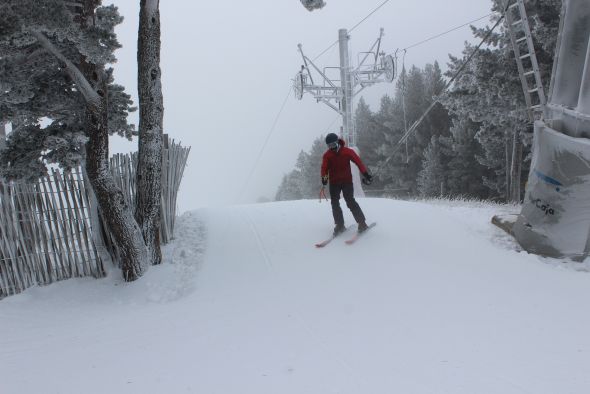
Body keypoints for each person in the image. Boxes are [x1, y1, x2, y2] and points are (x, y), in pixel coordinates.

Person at [321, 132, 373, 235]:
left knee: (350, 201)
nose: (332, 148)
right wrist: (324, 178)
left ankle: (362, 223)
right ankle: (340, 225)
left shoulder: (347, 152)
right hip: (334, 182)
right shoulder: (327, 155)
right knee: (334, 203)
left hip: (346, 181)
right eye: (329, 146)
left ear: (338, 142)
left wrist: (366, 174)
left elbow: (358, 162)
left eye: (333, 145)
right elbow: (324, 168)